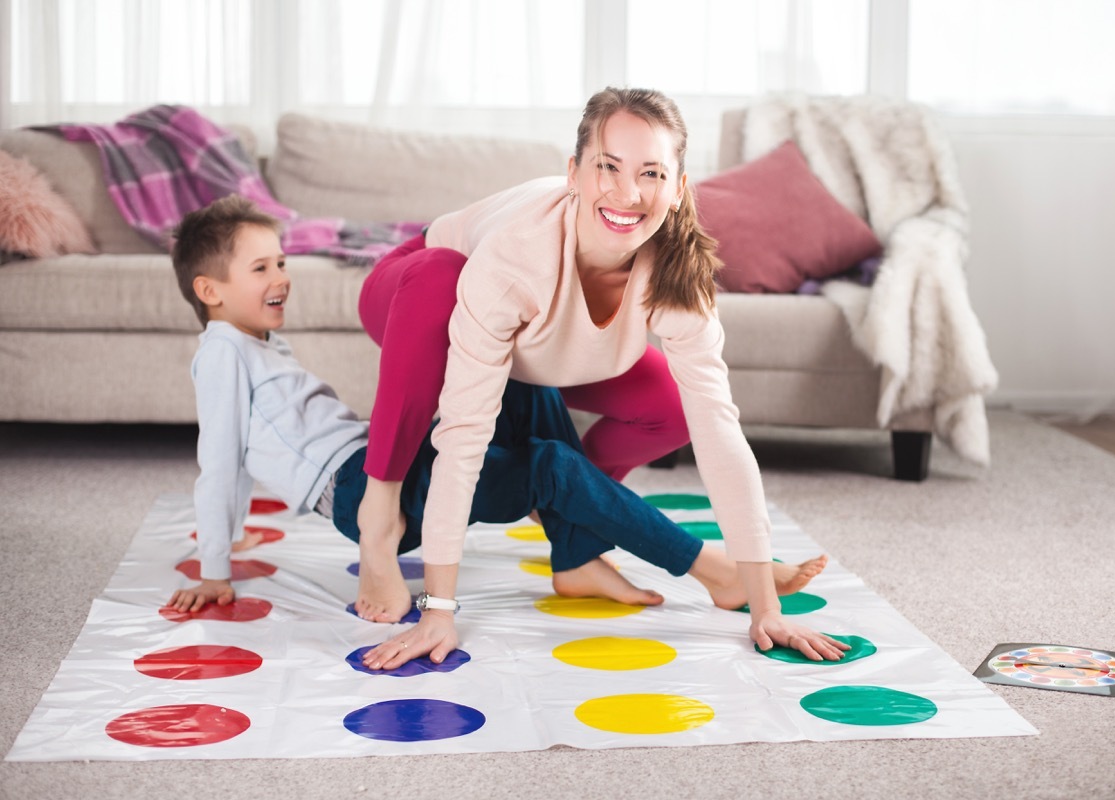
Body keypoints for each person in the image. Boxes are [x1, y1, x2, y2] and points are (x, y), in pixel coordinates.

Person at [355, 87, 851, 671]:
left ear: (678, 188)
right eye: (607, 167)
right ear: (573, 173)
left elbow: (718, 428)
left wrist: (764, 606)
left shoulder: (676, 270)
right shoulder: (516, 258)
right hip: (418, 294)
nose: (627, 192)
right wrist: (439, 609)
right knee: (441, 277)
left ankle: (574, 538)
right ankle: (379, 516)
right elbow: (463, 436)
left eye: (651, 173)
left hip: (541, 347)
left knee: (670, 404)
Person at [166, 195, 829, 622]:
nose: (281, 277)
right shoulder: (223, 353)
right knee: (547, 466)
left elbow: (260, 450)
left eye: (280, 261)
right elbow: (219, 460)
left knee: (516, 367)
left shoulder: (257, 347)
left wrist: (234, 531)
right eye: (260, 270)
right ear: (209, 291)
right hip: (359, 496)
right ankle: (712, 570)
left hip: (369, 463)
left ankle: (575, 557)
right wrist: (216, 568)